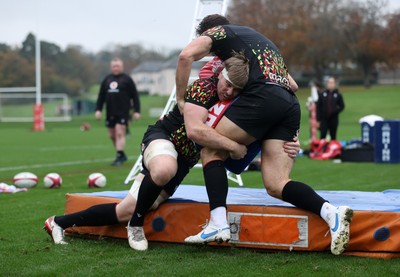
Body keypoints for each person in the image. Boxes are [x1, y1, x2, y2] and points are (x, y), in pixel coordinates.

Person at [44, 54, 300, 250]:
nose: (229, 91)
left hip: (183, 162)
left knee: (124, 210)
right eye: (228, 84)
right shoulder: (204, 87)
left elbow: (284, 91)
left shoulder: (238, 103)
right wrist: (234, 146)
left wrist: (290, 138)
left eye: (236, 89)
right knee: (165, 168)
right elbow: (195, 132)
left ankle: (59, 222)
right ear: (220, 73)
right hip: (162, 139)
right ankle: (136, 226)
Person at [175, 15, 353, 255]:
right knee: (276, 184)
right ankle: (331, 213)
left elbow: (185, 56)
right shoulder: (256, 42)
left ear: (212, 32)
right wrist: (290, 133)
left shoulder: (219, 35)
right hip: (289, 105)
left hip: (264, 98)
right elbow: (293, 86)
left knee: (211, 148)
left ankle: (218, 223)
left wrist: (179, 97)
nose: (213, 56)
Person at [95, 58, 141, 166]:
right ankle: (121, 154)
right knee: (112, 135)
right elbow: (101, 96)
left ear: (122, 66)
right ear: (111, 67)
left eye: (118, 66)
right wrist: (98, 110)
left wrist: (136, 111)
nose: (116, 68)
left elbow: (135, 96)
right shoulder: (107, 79)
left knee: (119, 132)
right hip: (110, 112)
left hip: (123, 112)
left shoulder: (127, 79)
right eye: (114, 66)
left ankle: (119, 155)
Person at [317, 77, 345, 141]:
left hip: (333, 119)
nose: (330, 84)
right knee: (323, 135)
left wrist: (335, 111)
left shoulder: (338, 95)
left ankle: (333, 150)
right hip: (324, 119)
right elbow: (318, 107)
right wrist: (318, 120)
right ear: (327, 84)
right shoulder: (322, 94)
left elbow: (342, 106)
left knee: (333, 136)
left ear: (335, 84)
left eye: (332, 83)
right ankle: (322, 149)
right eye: (329, 83)